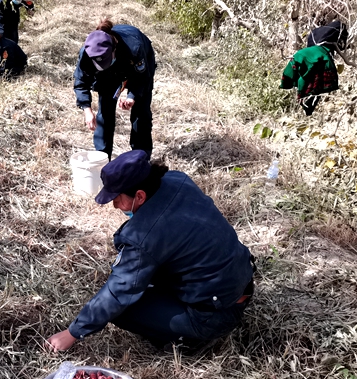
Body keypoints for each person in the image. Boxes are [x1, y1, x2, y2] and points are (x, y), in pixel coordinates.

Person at [46, 150, 255, 352]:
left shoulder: (143, 236)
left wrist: (73, 332)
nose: (115, 205)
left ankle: (188, 340)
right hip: (241, 284)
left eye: (117, 198)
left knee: (121, 309)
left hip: (214, 315)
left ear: (140, 195)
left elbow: (119, 292)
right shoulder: (178, 180)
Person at [74, 19, 156, 160]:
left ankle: (141, 158)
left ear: (114, 48)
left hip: (135, 65)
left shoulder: (134, 48)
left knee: (141, 114)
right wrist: (87, 110)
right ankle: (102, 158)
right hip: (108, 76)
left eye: (106, 61)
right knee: (105, 113)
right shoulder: (87, 53)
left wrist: (132, 96)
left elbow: (142, 78)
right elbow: (81, 82)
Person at [280, 19, 348, 116]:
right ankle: (307, 110)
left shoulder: (317, 33)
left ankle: (304, 108)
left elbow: (288, 74)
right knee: (315, 85)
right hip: (319, 56)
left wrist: (286, 84)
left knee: (306, 80)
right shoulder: (334, 31)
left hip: (303, 55)